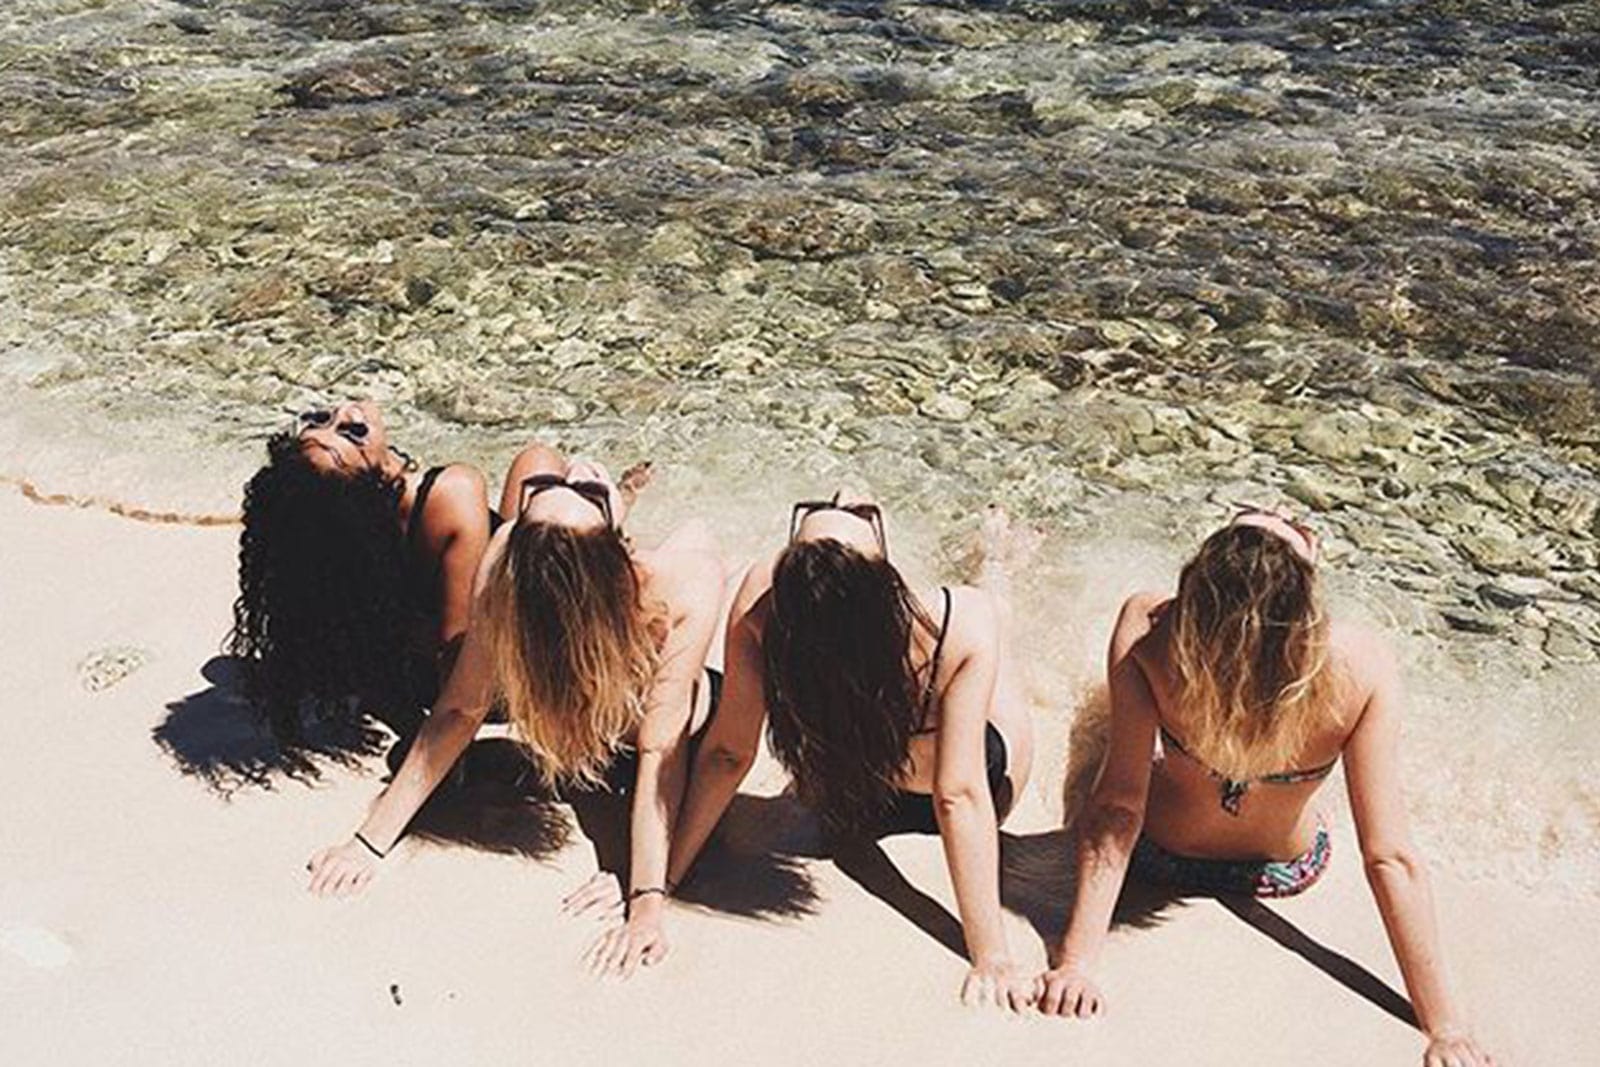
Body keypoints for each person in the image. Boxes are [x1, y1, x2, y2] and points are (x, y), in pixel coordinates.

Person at [1037, 504, 1495, 1067]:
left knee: (1099, 726)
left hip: (1160, 853)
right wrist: (1445, 1026)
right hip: (1284, 872)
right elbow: (1388, 856)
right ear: (1305, 600)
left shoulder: (1150, 630)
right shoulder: (1361, 665)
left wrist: (1077, 962)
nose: (1282, 513)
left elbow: (1118, 806)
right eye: (1276, 524)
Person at [305, 446, 724, 979]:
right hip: (601, 747)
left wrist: (645, 895)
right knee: (695, 535)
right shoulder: (521, 556)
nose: (576, 469)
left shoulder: (527, 554)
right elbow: (461, 708)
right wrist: (367, 844)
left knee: (687, 536)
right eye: (568, 490)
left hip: (652, 746)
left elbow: (660, 750)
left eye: (576, 488)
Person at [663, 493, 1037, 1011]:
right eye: (862, 516)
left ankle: (995, 564)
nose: (847, 498)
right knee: (993, 618)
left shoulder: (766, 610)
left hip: (850, 799)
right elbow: (958, 797)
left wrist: (662, 879)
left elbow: (729, 754)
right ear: (886, 579)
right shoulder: (957, 619)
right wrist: (991, 953)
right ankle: (998, 563)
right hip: (964, 788)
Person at [229, 399, 563, 741]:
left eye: (320, 419)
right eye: (353, 432)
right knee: (539, 461)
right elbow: (458, 655)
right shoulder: (452, 491)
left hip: (407, 673)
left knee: (533, 472)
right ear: (369, 479)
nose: (346, 411)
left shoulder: (344, 531)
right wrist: (439, 742)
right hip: (500, 679)